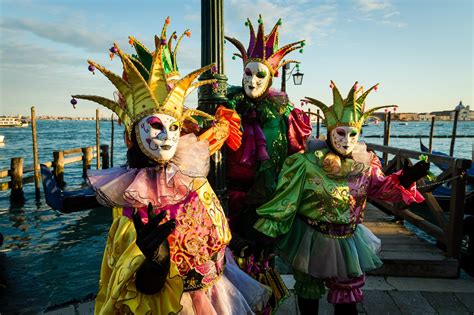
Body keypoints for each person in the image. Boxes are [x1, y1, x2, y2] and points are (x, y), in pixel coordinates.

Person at [72, 18, 271, 314]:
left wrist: (237, 243)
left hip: (217, 294)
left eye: (174, 127)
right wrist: (156, 263)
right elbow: (133, 285)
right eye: (155, 126)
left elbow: (214, 237)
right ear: (132, 134)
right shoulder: (134, 198)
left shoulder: (193, 179)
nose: (166, 137)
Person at [253, 81, 429, 315]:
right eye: (340, 133)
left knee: (347, 300)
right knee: (308, 292)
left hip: (349, 239)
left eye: (353, 134)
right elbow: (287, 199)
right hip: (310, 238)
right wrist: (267, 230)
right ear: (329, 131)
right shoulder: (305, 163)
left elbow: (381, 189)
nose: (346, 140)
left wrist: (406, 179)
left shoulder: (365, 164)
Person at [224, 15, 311, 300]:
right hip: (231, 198)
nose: (252, 80)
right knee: (231, 262)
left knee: (262, 260)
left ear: (270, 78)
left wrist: (286, 205)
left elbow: (296, 157)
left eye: (260, 75)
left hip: (268, 201)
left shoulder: (283, 113)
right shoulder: (228, 108)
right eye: (248, 73)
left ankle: (264, 305)